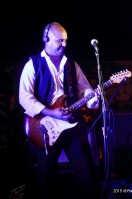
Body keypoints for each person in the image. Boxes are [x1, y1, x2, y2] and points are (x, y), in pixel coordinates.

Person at [19, 22, 100, 199]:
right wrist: (50, 112)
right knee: (45, 178)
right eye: (59, 41)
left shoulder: (71, 64)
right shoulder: (33, 64)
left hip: (72, 123)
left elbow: (84, 89)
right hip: (45, 127)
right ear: (46, 39)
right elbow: (24, 97)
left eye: (65, 41)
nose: (64, 45)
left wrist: (93, 98)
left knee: (87, 173)